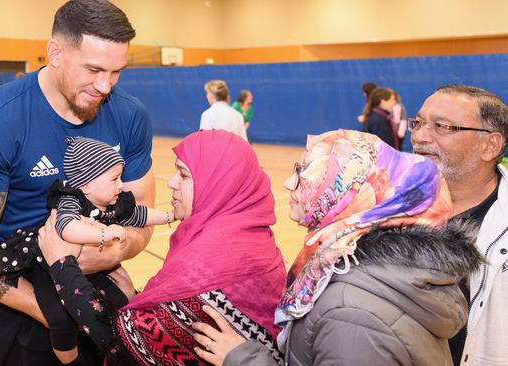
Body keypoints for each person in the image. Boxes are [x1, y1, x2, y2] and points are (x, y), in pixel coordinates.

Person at [0, 1, 155, 365]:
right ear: (55, 52)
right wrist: (50, 310)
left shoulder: (130, 115)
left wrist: (114, 251)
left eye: (117, 71)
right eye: (93, 69)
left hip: (98, 297)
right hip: (20, 307)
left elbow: (138, 217)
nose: (105, 85)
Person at [191, 129, 483, 366]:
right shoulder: (355, 262)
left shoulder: (351, 311)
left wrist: (242, 359)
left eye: (304, 171)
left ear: (349, 191)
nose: (288, 181)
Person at [38, 130, 287, 365]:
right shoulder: (249, 241)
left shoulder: (209, 267)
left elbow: (122, 344)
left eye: (184, 175)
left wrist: (62, 267)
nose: (171, 182)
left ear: (218, 184)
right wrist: (137, 299)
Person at [0, 136, 174, 364]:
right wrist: (103, 234)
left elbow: (140, 214)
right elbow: (68, 227)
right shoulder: (70, 200)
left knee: (122, 300)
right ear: (86, 184)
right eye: (115, 179)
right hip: (47, 270)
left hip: (85, 269)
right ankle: (71, 361)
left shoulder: (112, 202)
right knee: (59, 320)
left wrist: (169, 216)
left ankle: (112, 351)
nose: (121, 185)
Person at [410, 84, 508, 365]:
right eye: (419, 123)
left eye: (443, 127)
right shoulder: (384, 206)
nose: (420, 137)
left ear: (490, 145)